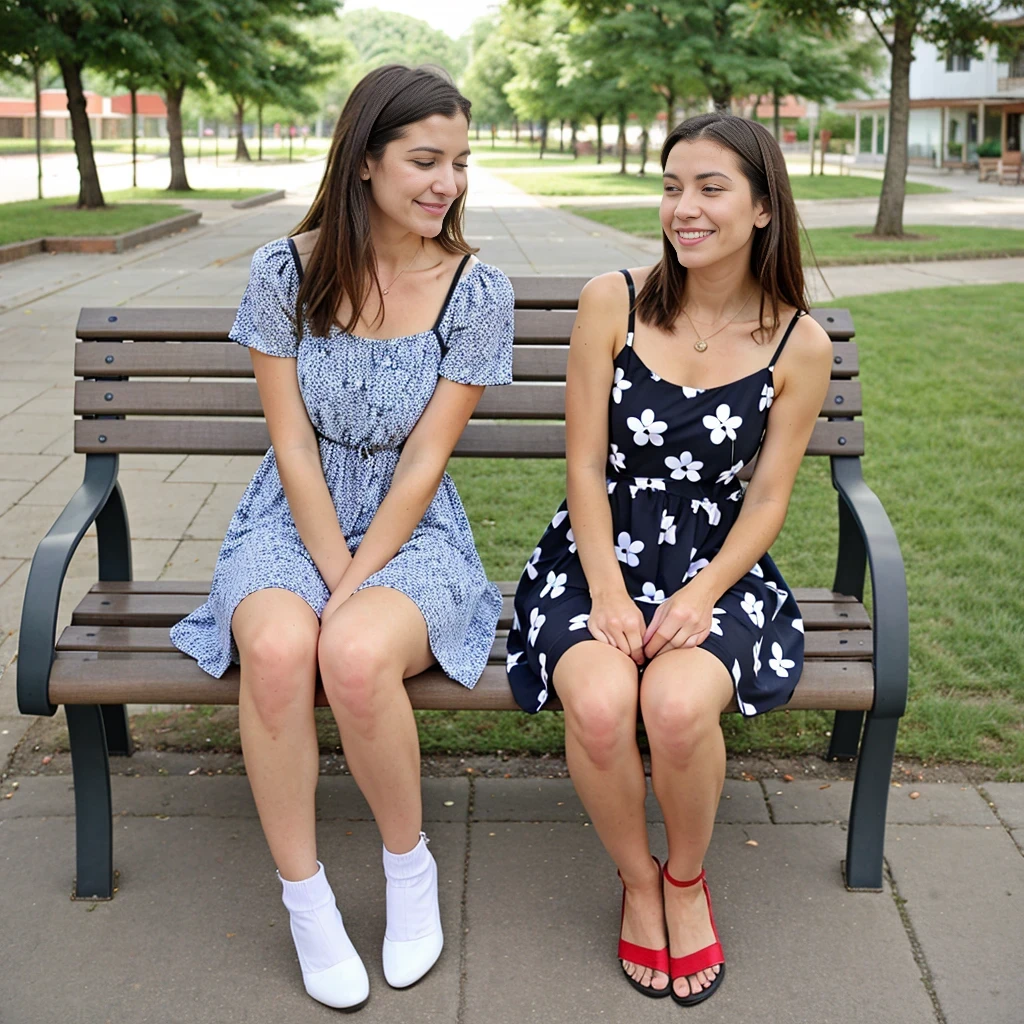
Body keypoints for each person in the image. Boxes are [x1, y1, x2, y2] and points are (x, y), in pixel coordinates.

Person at [170, 65, 513, 1010]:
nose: (447, 183)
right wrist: (327, 567)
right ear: (365, 161)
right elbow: (290, 442)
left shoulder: (478, 290)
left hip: (415, 529)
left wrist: (357, 583)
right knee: (281, 646)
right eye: (425, 161)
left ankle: (409, 872)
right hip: (294, 514)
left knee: (356, 655)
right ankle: (307, 898)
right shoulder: (284, 270)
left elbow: (425, 462)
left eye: (459, 162)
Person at [505, 112, 832, 1006]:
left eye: (711, 188)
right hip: (594, 555)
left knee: (681, 706)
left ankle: (685, 879)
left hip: (717, 569)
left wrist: (701, 594)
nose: (683, 208)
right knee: (605, 706)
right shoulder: (613, 300)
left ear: (764, 208)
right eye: (671, 186)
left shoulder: (797, 343)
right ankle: (637, 881)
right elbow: (580, 462)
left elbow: (766, 501)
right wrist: (606, 593)